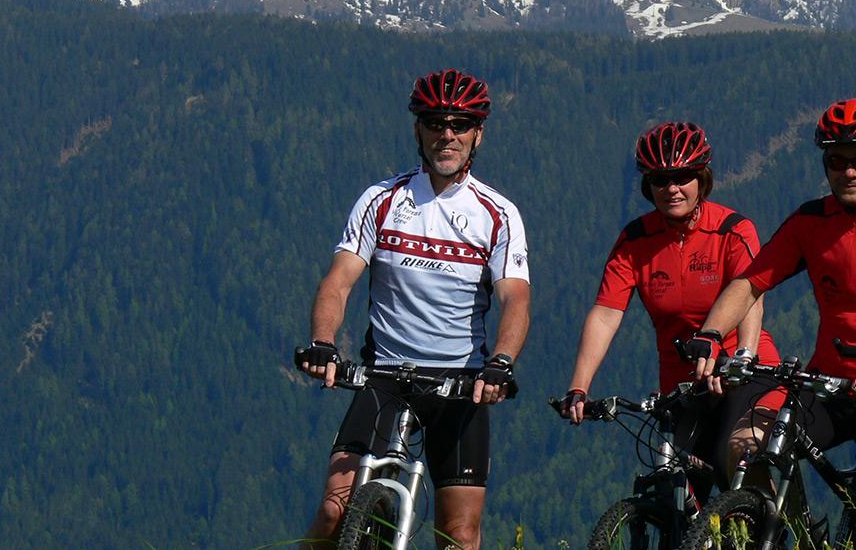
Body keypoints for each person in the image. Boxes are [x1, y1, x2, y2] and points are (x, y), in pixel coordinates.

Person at [295, 68, 531, 548]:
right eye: (435, 123)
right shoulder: (381, 200)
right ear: (418, 130)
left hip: (461, 385)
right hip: (385, 378)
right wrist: (323, 343)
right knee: (333, 510)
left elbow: (515, 299)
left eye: (460, 124)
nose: (448, 134)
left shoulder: (497, 213)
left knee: (460, 534)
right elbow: (339, 282)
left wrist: (501, 363)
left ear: (477, 134)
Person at [685, 99, 856, 505]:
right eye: (836, 160)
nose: (849, 172)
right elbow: (750, 283)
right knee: (746, 445)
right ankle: (789, 531)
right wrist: (710, 333)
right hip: (830, 387)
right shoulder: (810, 222)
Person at [562, 122, 781, 485]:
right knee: (676, 483)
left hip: (743, 371)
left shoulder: (732, 230)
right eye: (661, 180)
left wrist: (742, 358)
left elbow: (751, 299)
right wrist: (579, 386)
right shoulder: (636, 240)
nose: (672, 189)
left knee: (739, 460)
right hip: (683, 383)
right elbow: (605, 314)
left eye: (683, 177)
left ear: (702, 178)